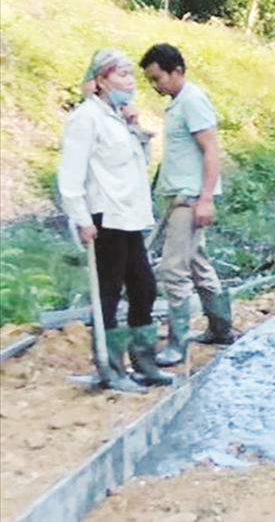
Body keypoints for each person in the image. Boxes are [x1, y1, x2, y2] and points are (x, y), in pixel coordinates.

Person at [58, 49, 175, 392]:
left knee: (144, 288)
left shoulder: (120, 117)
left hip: (129, 216)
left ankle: (144, 362)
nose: (130, 82)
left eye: (130, 75)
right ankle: (111, 370)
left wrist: (137, 127)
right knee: (107, 293)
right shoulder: (86, 118)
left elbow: (137, 165)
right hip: (104, 216)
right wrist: (80, 218)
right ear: (102, 80)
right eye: (122, 75)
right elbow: (70, 175)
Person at [140, 43, 235, 364]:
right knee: (197, 263)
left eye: (158, 78)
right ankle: (221, 329)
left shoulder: (192, 101)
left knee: (173, 269)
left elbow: (211, 150)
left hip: (190, 199)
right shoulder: (178, 102)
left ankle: (178, 344)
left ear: (177, 71)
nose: (156, 86)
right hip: (179, 196)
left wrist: (205, 198)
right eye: (151, 80)